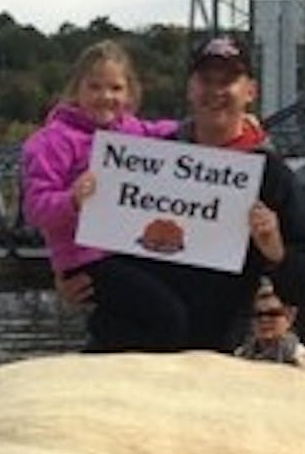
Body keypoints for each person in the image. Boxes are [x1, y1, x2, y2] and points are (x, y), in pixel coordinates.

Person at [56, 35, 305, 353]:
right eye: (205, 80)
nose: (215, 91)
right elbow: (79, 225)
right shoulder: (143, 155)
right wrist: (65, 278)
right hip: (118, 349)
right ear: (190, 88)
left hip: (208, 360)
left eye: (228, 81)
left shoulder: (270, 175)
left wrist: (276, 250)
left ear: (250, 91)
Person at [20, 40, 189, 351]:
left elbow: (166, 132)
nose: (105, 97)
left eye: (115, 88)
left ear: (129, 93)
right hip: (85, 260)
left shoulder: (131, 130)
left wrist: (212, 125)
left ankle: (98, 364)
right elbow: (35, 208)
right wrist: (72, 200)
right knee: (168, 317)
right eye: (95, 87)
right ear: (77, 89)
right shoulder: (53, 141)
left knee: (129, 322)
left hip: (126, 250)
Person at [235, 279, 305, 379]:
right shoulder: (241, 355)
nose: (264, 320)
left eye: (273, 314)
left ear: (290, 318)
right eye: (258, 314)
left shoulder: (301, 358)